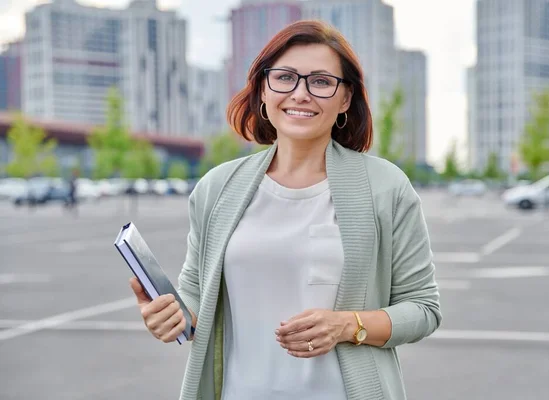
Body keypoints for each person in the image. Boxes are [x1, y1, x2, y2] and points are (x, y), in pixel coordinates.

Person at [129, 20, 441, 400]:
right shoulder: (216, 188)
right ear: (263, 90)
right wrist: (174, 317)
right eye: (285, 77)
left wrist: (347, 325)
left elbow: (423, 309)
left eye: (321, 82)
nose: (301, 93)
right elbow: (196, 295)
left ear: (345, 99)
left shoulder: (385, 187)